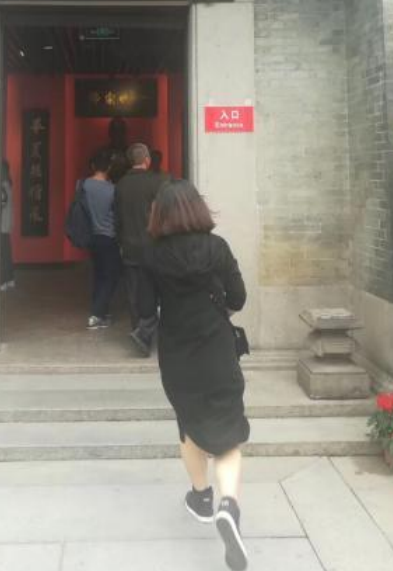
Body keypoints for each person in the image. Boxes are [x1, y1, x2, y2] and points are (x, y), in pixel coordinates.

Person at [141, 179, 250, 571]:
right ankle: (228, 505)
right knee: (228, 432)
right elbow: (238, 298)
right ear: (198, 209)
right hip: (217, 348)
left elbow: (142, 308)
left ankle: (201, 496)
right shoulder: (217, 248)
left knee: (188, 422)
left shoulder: (151, 255)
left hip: (177, 353)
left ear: (160, 215)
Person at [114, 142, 163, 356]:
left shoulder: (121, 185)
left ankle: (139, 333)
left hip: (130, 246)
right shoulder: (157, 182)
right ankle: (153, 332)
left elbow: (117, 218)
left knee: (134, 293)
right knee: (158, 290)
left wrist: (120, 242)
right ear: (147, 160)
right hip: (154, 246)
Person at [82, 148, 123, 329]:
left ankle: (101, 311)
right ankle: (96, 315)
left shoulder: (83, 185)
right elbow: (117, 213)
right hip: (108, 236)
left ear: (93, 166)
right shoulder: (112, 189)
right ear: (109, 168)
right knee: (111, 275)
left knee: (99, 274)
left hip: (91, 236)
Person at [0, 160, 15, 291]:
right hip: (7, 224)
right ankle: (10, 279)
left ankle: (3, 281)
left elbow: (1, 205)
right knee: (7, 253)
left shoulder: (2, 187)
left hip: (2, 225)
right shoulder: (8, 185)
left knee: (3, 254)